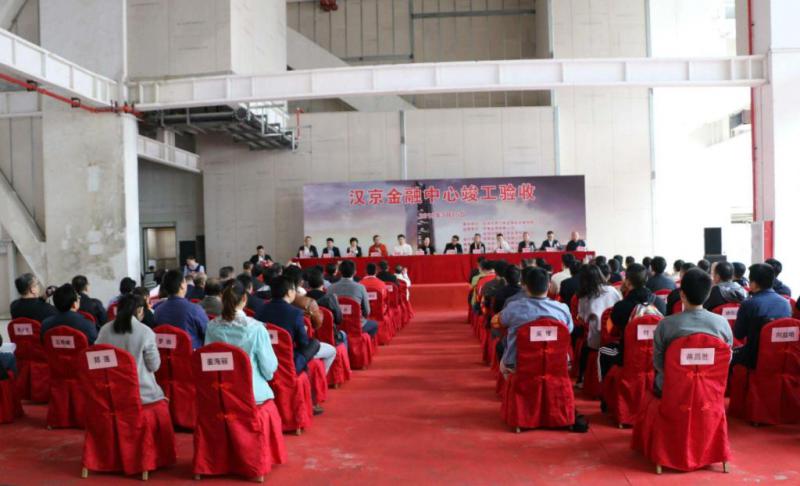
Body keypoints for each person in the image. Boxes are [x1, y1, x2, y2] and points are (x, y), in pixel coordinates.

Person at [256, 276, 337, 411]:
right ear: (289, 292)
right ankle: (314, 396)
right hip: (289, 362)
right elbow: (303, 344)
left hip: (264, 359)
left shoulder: (260, 310)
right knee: (315, 343)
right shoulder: (295, 313)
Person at [652, 268, 733, 396]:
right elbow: (726, 358)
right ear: (708, 294)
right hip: (709, 387)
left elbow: (658, 362)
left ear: (682, 294)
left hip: (674, 387)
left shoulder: (665, 325)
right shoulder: (722, 323)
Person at [205, 280, 279, 405]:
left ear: (221, 298)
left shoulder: (211, 326)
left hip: (221, 394)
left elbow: (209, 364)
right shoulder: (257, 328)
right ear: (244, 298)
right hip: (252, 395)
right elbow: (269, 368)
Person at [598, 263, 665, 379]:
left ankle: (606, 387)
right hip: (655, 357)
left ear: (628, 282)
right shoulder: (660, 303)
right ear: (646, 279)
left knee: (602, 351)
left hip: (628, 356)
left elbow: (611, 332)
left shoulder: (621, 307)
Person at [95, 293, 165, 404]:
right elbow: (154, 366)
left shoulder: (104, 330)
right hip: (142, 393)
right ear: (140, 310)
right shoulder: (146, 332)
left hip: (111, 391)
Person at [732, 263, 793, 369]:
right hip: (783, 357)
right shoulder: (786, 303)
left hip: (755, 358)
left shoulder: (749, 304)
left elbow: (739, 334)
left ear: (754, 284)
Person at [576, 264, 622, 384]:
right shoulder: (613, 290)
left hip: (596, 339)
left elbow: (582, 319)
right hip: (614, 335)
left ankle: (581, 377)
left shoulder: (584, 296)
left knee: (584, 342)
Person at [153, 269, 209, 349]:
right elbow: (208, 333)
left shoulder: (158, 311)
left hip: (166, 354)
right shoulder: (195, 309)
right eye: (185, 282)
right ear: (182, 285)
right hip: (190, 353)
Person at [328, 260, 379, 337]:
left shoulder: (330, 288)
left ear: (340, 272)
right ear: (355, 272)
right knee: (374, 324)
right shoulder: (360, 287)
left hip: (337, 326)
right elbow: (367, 311)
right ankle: (363, 342)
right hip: (357, 325)